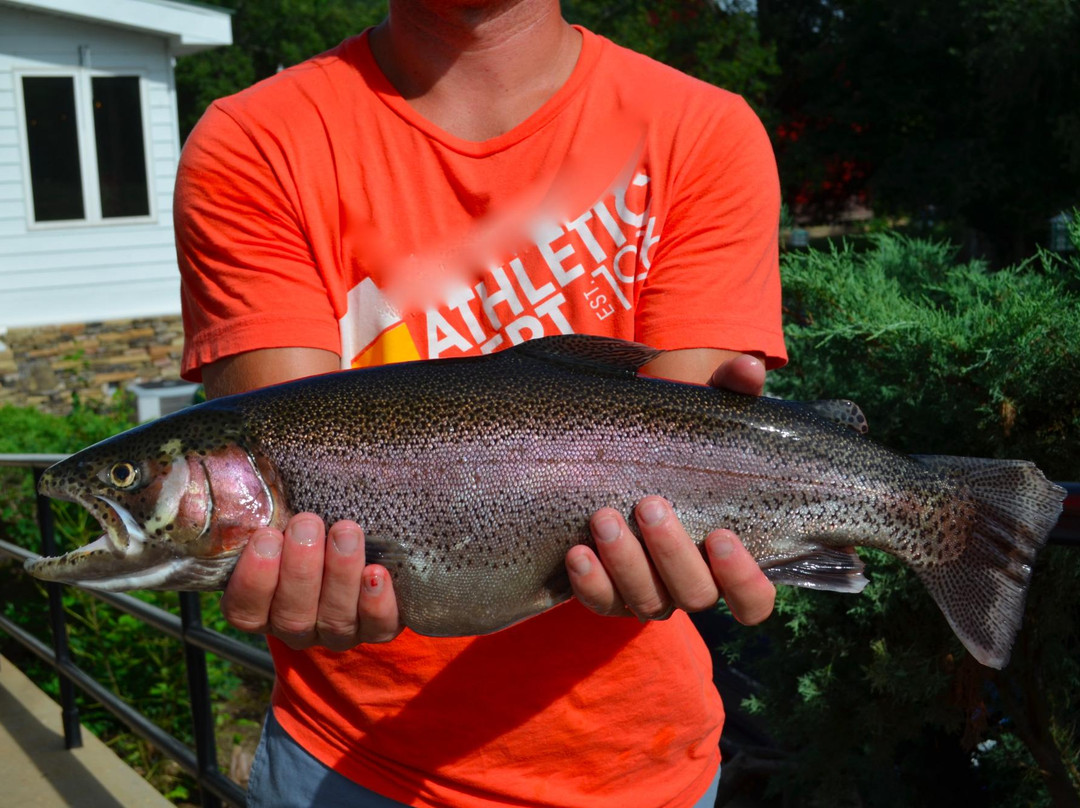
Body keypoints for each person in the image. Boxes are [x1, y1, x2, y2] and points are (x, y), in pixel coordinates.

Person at [175, 1, 786, 806]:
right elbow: (287, 486)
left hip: (649, 770)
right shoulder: (255, 143)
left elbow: (675, 463)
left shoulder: (703, 129)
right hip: (350, 768)